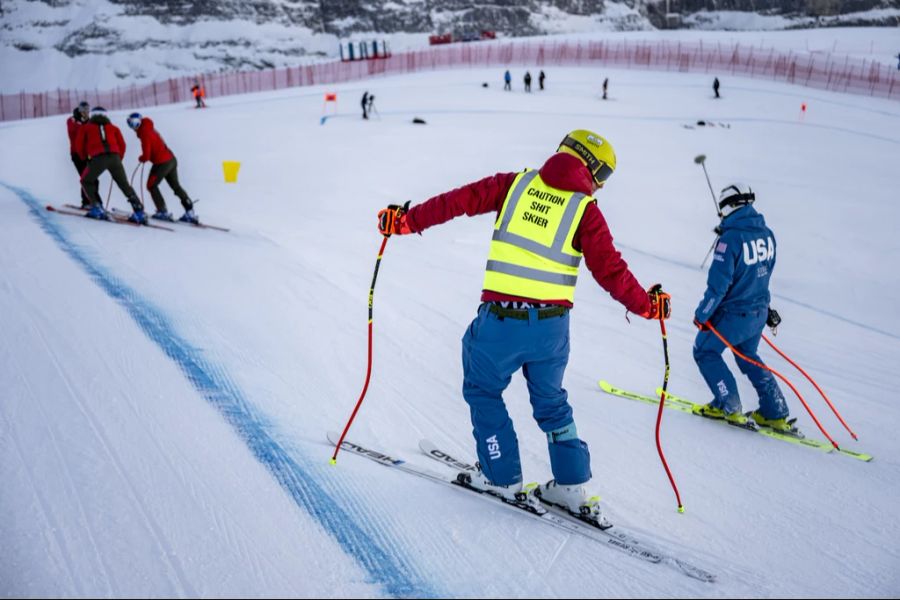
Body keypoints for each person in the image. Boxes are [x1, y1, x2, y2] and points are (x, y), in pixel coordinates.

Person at [376, 130, 671, 524]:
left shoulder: (513, 185)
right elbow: (611, 270)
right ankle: (570, 486)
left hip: (501, 322)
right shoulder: (584, 210)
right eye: (602, 177)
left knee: (483, 390)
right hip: (551, 331)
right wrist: (648, 306)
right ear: (592, 169)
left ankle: (502, 476)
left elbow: (456, 202)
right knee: (552, 402)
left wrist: (406, 222)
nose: (599, 186)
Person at [691, 183, 792, 432]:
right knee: (748, 356)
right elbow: (764, 275)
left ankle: (728, 404)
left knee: (704, 351)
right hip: (757, 313)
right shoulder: (767, 234)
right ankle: (774, 410)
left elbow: (718, 286)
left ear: (729, 207)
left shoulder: (730, 240)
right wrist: (766, 310)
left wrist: (702, 315)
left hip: (733, 314)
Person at [74, 106, 146, 223]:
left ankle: (97, 207)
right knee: (124, 184)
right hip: (115, 158)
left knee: (85, 180)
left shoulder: (85, 128)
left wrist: (85, 158)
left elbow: (79, 146)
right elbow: (122, 145)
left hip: (98, 158)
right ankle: (139, 210)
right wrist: (118, 159)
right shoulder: (113, 128)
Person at [126, 112, 199, 224]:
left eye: (132, 124)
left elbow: (147, 155)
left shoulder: (144, 133)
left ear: (137, 122)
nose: (131, 127)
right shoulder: (149, 127)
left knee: (151, 185)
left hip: (162, 162)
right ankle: (190, 210)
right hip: (171, 159)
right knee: (176, 186)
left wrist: (142, 158)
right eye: (129, 124)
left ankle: (162, 211)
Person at [67, 101, 91, 208]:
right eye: (84, 110)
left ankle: (92, 201)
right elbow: (75, 130)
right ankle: (86, 202)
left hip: (87, 154)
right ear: (80, 110)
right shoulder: (72, 120)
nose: (86, 112)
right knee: (85, 176)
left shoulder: (88, 121)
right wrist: (85, 124)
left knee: (91, 177)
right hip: (76, 154)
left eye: (87, 110)